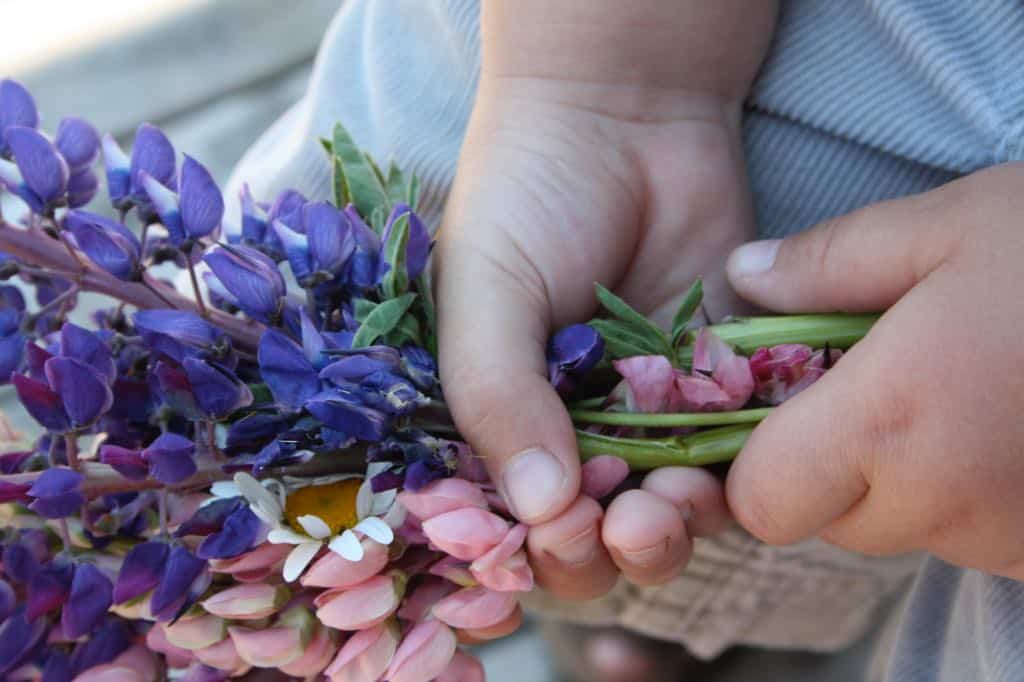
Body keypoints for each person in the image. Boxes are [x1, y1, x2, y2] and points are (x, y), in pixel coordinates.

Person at [228, 1, 1024, 680]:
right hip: (601, 65)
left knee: (600, 518)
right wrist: (600, 87)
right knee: (514, 447)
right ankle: (635, 626)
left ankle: (651, 625)